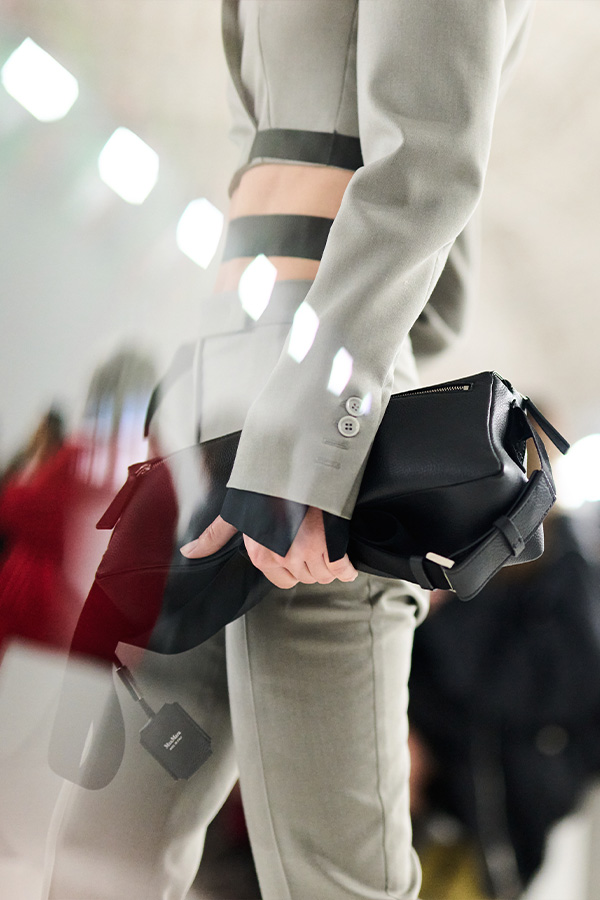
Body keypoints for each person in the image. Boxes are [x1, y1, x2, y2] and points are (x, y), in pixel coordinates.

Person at [43, 3, 534, 899]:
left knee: (332, 877)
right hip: (216, 428)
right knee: (102, 852)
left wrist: (311, 446)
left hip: (320, 463)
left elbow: (425, 166)